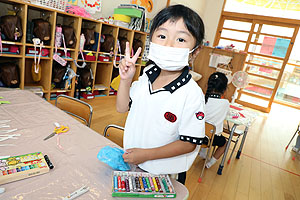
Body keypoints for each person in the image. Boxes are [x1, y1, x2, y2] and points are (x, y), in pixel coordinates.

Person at [116, 4, 206, 184]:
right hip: (134, 161)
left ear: (195, 52)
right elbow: (121, 107)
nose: (168, 44)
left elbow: (189, 143)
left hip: (166, 173)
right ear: (151, 40)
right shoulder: (146, 76)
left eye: (180, 40)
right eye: (162, 36)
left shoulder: (192, 94)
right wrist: (126, 80)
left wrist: (147, 155)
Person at [199, 72, 229, 168]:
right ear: (225, 90)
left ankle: (203, 153)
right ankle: (210, 163)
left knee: (205, 128)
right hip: (212, 138)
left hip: (196, 133)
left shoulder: (200, 98)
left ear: (207, 85)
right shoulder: (225, 103)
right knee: (225, 143)